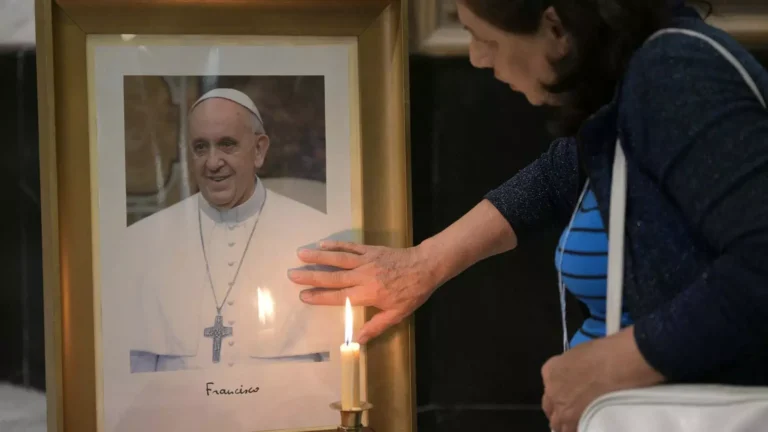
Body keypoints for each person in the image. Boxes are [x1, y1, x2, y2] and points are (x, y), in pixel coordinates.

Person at [288, 1, 768, 431]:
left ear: (556, 28)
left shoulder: (677, 76)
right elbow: (561, 174)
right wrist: (424, 264)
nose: (477, 58)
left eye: (486, 39)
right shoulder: (629, 79)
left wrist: (608, 366)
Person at [127, 88, 338, 373]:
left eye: (227, 145)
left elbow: (336, 367)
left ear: (259, 150)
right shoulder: (146, 241)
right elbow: (135, 372)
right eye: (201, 147)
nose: (213, 163)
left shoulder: (319, 236)